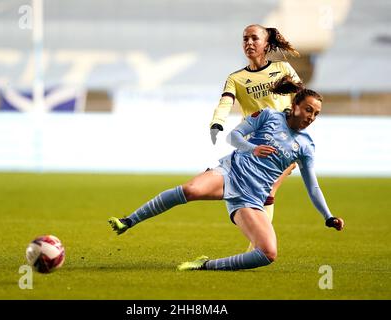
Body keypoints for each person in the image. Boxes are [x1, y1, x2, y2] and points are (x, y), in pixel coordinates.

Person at [108, 76, 344, 271]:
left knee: (268, 253)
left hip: (250, 199)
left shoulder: (305, 146)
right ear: (294, 106)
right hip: (230, 173)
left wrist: (328, 216)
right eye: (308, 110)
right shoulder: (268, 116)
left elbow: (312, 186)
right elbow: (233, 137)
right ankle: (128, 221)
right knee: (190, 190)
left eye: (316, 114)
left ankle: (204, 265)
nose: (311, 117)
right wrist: (253, 148)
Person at [210, 24, 302, 250]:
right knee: (254, 196)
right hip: (252, 148)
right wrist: (217, 122)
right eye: (245, 39)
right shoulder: (237, 78)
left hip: (283, 145)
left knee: (267, 192)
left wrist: (294, 105)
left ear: (266, 44)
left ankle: (257, 251)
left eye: (254, 38)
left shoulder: (283, 68)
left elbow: (304, 99)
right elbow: (225, 101)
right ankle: (258, 248)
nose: (249, 43)